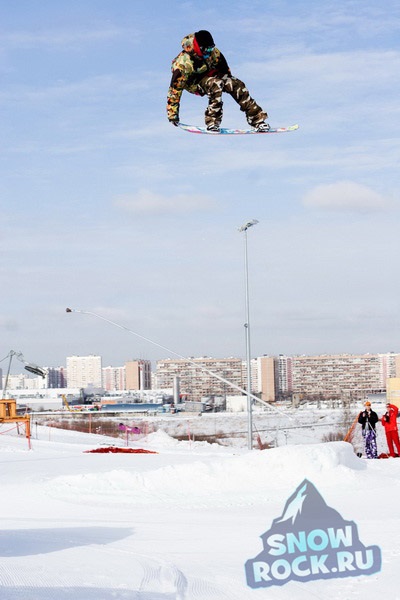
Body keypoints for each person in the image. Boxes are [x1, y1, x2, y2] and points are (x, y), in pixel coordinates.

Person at [167, 30, 269, 132]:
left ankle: (257, 120)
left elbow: (225, 70)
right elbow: (175, 90)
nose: (209, 52)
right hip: (193, 83)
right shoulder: (183, 63)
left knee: (236, 84)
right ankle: (212, 122)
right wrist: (173, 114)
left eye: (211, 48)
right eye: (207, 50)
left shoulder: (214, 53)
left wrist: (230, 85)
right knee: (215, 84)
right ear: (199, 49)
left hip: (210, 75)